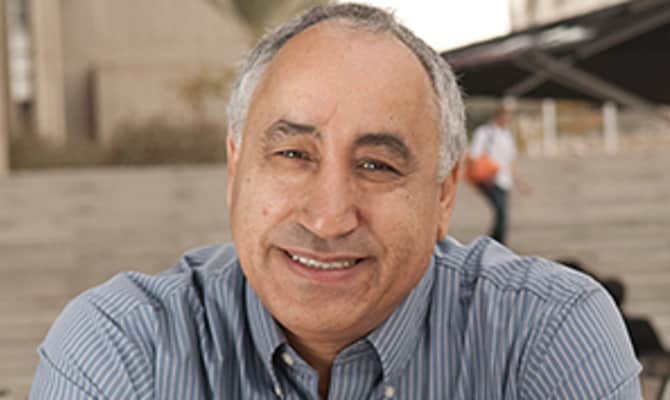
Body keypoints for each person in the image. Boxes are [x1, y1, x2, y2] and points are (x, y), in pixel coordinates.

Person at [30, 4, 641, 399]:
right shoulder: (123, 348)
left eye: (377, 165)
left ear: (444, 193)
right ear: (236, 168)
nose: (328, 217)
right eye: (293, 154)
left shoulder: (545, 335)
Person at [468, 107, 530, 244]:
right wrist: (483, 175)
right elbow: (474, 155)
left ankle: (493, 242)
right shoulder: (485, 132)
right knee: (501, 212)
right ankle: (496, 242)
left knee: (502, 213)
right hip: (490, 179)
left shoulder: (507, 135)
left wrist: (521, 182)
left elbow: (510, 162)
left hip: (505, 180)